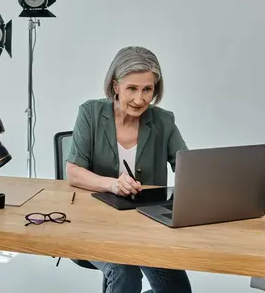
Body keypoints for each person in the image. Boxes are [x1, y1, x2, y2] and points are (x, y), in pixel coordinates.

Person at [65, 46, 192, 293]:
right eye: (131, 89)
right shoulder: (90, 113)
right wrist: (112, 184)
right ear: (115, 86)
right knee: (125, 273)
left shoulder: (163, 121)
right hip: (96, 224)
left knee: (178, 290)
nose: (139, 99)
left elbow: (187, 169)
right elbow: (73, 171)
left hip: (149, 227)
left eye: (147, 89)